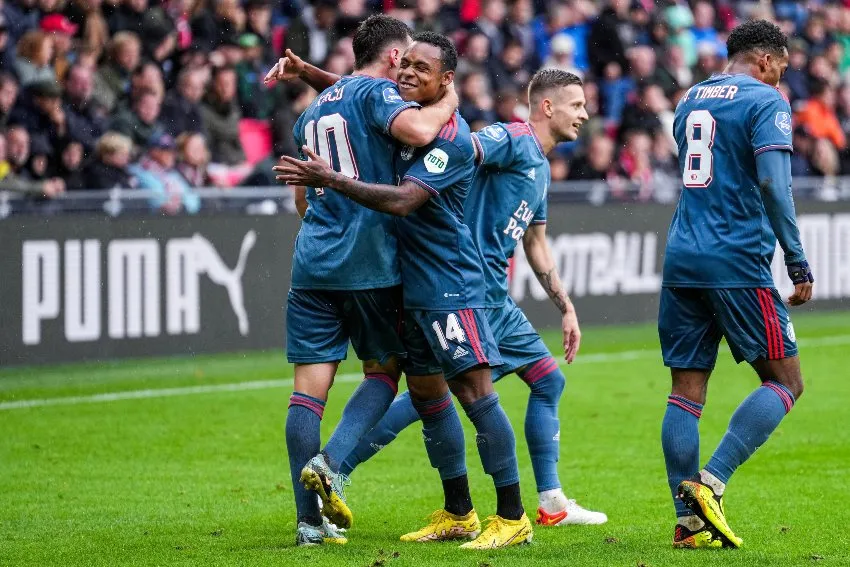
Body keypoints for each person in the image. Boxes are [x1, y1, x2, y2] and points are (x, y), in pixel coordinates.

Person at [275, 32, 532, 550]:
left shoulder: (449, 138)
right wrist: (311, 73)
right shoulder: (387, 112)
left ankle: (513, 515)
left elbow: (400, 201)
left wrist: (331, 178)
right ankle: (458, 510)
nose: (408, 74)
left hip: (447, 284)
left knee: (476, 394)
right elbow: (360, 93)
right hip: (403, 283)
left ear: (446, 81)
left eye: (421, 68)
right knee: (428, 395)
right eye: (405, 65)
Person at [335, 69, 608, 528]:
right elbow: (465, 148)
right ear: (547, 106)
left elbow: (535, 242)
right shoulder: (514, 139)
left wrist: (567, 307)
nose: (585, 114)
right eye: (577, 105)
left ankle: (553, 502)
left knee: (547, 381)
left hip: (495, 299)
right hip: (464, 290)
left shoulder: (539, 167)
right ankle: (337, 468)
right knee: (430, 395)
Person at [264, 15, 458, 547]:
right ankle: (329, 464)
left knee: (306, 396)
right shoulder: (377, 95)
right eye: (409, 58)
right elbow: (420, 130)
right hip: (368, 264)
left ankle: (308, 525)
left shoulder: (311, 113)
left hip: (312, 266)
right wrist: (448, 102)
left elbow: (303, 201)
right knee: (384, 372)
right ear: (395, 58)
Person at [659, 20, 813, 549]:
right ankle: (711, 481)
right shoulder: (766, 102)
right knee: (786, 382)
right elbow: (773, 183)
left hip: (682, 257)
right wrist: (797, 262)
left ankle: (687, 525)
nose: (783, 77)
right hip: (737, 261)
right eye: (784, 67)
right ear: (766, 61)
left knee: (685, 393)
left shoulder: (689, 99)